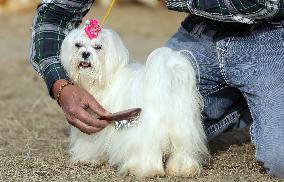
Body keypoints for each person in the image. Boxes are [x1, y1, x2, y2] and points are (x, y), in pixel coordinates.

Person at [29, 0, 284, 178]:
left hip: (271, 35)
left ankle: (260, 100)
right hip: (199, 35)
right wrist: (60, 84)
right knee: (163, 102)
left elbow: (266, 4)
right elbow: (54, 14)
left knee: (279, 158)